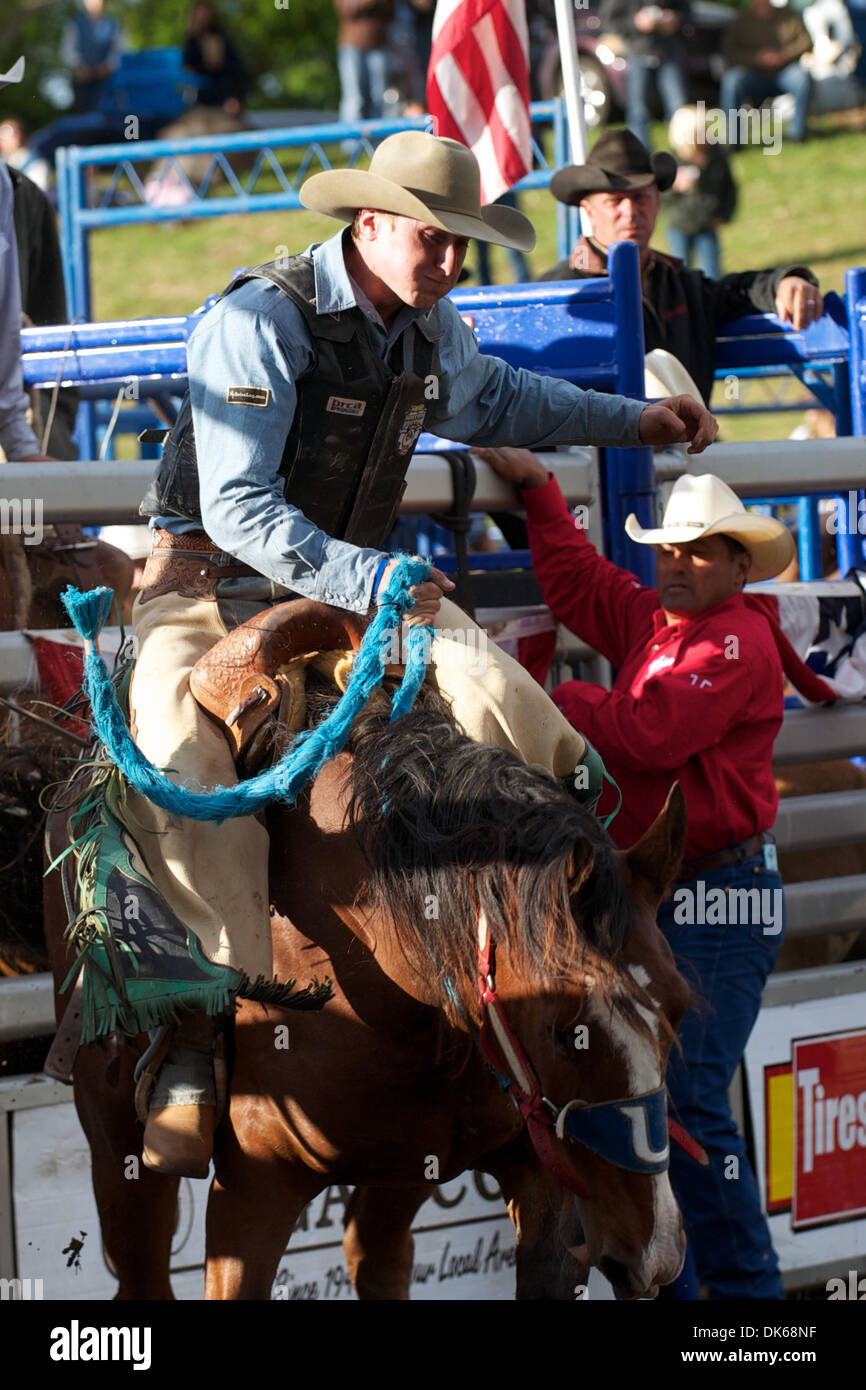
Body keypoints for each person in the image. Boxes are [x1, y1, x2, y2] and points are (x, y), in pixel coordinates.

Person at [125, 130, 717, 1177]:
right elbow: (237, 507)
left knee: (502, 691)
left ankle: (588, 895)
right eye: (432, 241)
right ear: (369, 225)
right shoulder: (260, 320)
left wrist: (634, 422)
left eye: (459, 245)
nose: (448, 263)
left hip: (353, 584)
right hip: (206, 583)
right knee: (186, 758)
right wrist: (375, 582)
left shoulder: (427, 330)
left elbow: (500, 400)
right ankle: (192, 1036)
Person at [480, 445, 794, 1298]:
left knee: (684, 1109)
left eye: (699, 551)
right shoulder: (672, 626)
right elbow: (586, 586)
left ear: (737, 564)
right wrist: (542, 493)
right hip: (679, 892)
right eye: (668, 548)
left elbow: (649, 733)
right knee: (667, 1109)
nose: (677, 563)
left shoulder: (733, 643)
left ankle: (748, 1309)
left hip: (719, 897)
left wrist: (544, 700)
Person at [540, 127, 824, 405]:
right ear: (590, 211)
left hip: (684, 444)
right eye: (615, 201)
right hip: (595, 450)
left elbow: (738, 291)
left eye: (640, 197)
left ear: (656, 202)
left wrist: (785, 283)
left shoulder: (684, 285)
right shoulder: (555, 294)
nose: (630, 211)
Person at [598, 0, 690, 152]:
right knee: (638, 111)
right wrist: (635, 23)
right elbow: (609, 19)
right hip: (637, 53)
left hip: (668, 52)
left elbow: (687, 12)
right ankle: (641, 158)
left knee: (678, 109)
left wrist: (675, 19)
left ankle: (683, 154)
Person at [720, 0, 814, 145]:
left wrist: (783, 55)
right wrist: (756, 58)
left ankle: (797, 135)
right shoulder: (741, 20)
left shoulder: (789, 16)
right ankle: (734, 139)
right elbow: (729, 52)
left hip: (784, 73)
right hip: (752, 74)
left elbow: (806, 42)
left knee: (801, 78)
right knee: (732, 81)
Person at [664, 105, 737, 280]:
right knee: (681, 271)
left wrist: (725, 214)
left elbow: (729, 188)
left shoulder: (716, 156)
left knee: (714, 272)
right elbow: (659, 195)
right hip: (680, 225)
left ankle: (714, 303)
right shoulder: (672, 161)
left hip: (707, 223)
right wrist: (673, 185)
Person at [334, 0, 395, 125]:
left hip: (379, 45)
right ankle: (351, 143)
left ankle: (377, 142)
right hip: (351, 46)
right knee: (354, 98)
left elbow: (391, 11)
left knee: (379, 98)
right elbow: (347, 9)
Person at [182, 2, 248, 112]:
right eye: (199, 14)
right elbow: (188, 70)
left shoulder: (221, 37)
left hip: (224, 100)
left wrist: (233, 97)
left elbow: (237, 70)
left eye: (205, 13)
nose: (202, 17)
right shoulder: (191, 42)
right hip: (200, 102)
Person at [60, 0, 124, 115]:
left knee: (103, 115)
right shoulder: (76, 23)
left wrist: (108, 66)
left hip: (106, 81)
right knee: (82, 115)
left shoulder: (113, 24)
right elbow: (67, 49)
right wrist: (79, 66)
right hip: (82, 80)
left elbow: (118, 51)